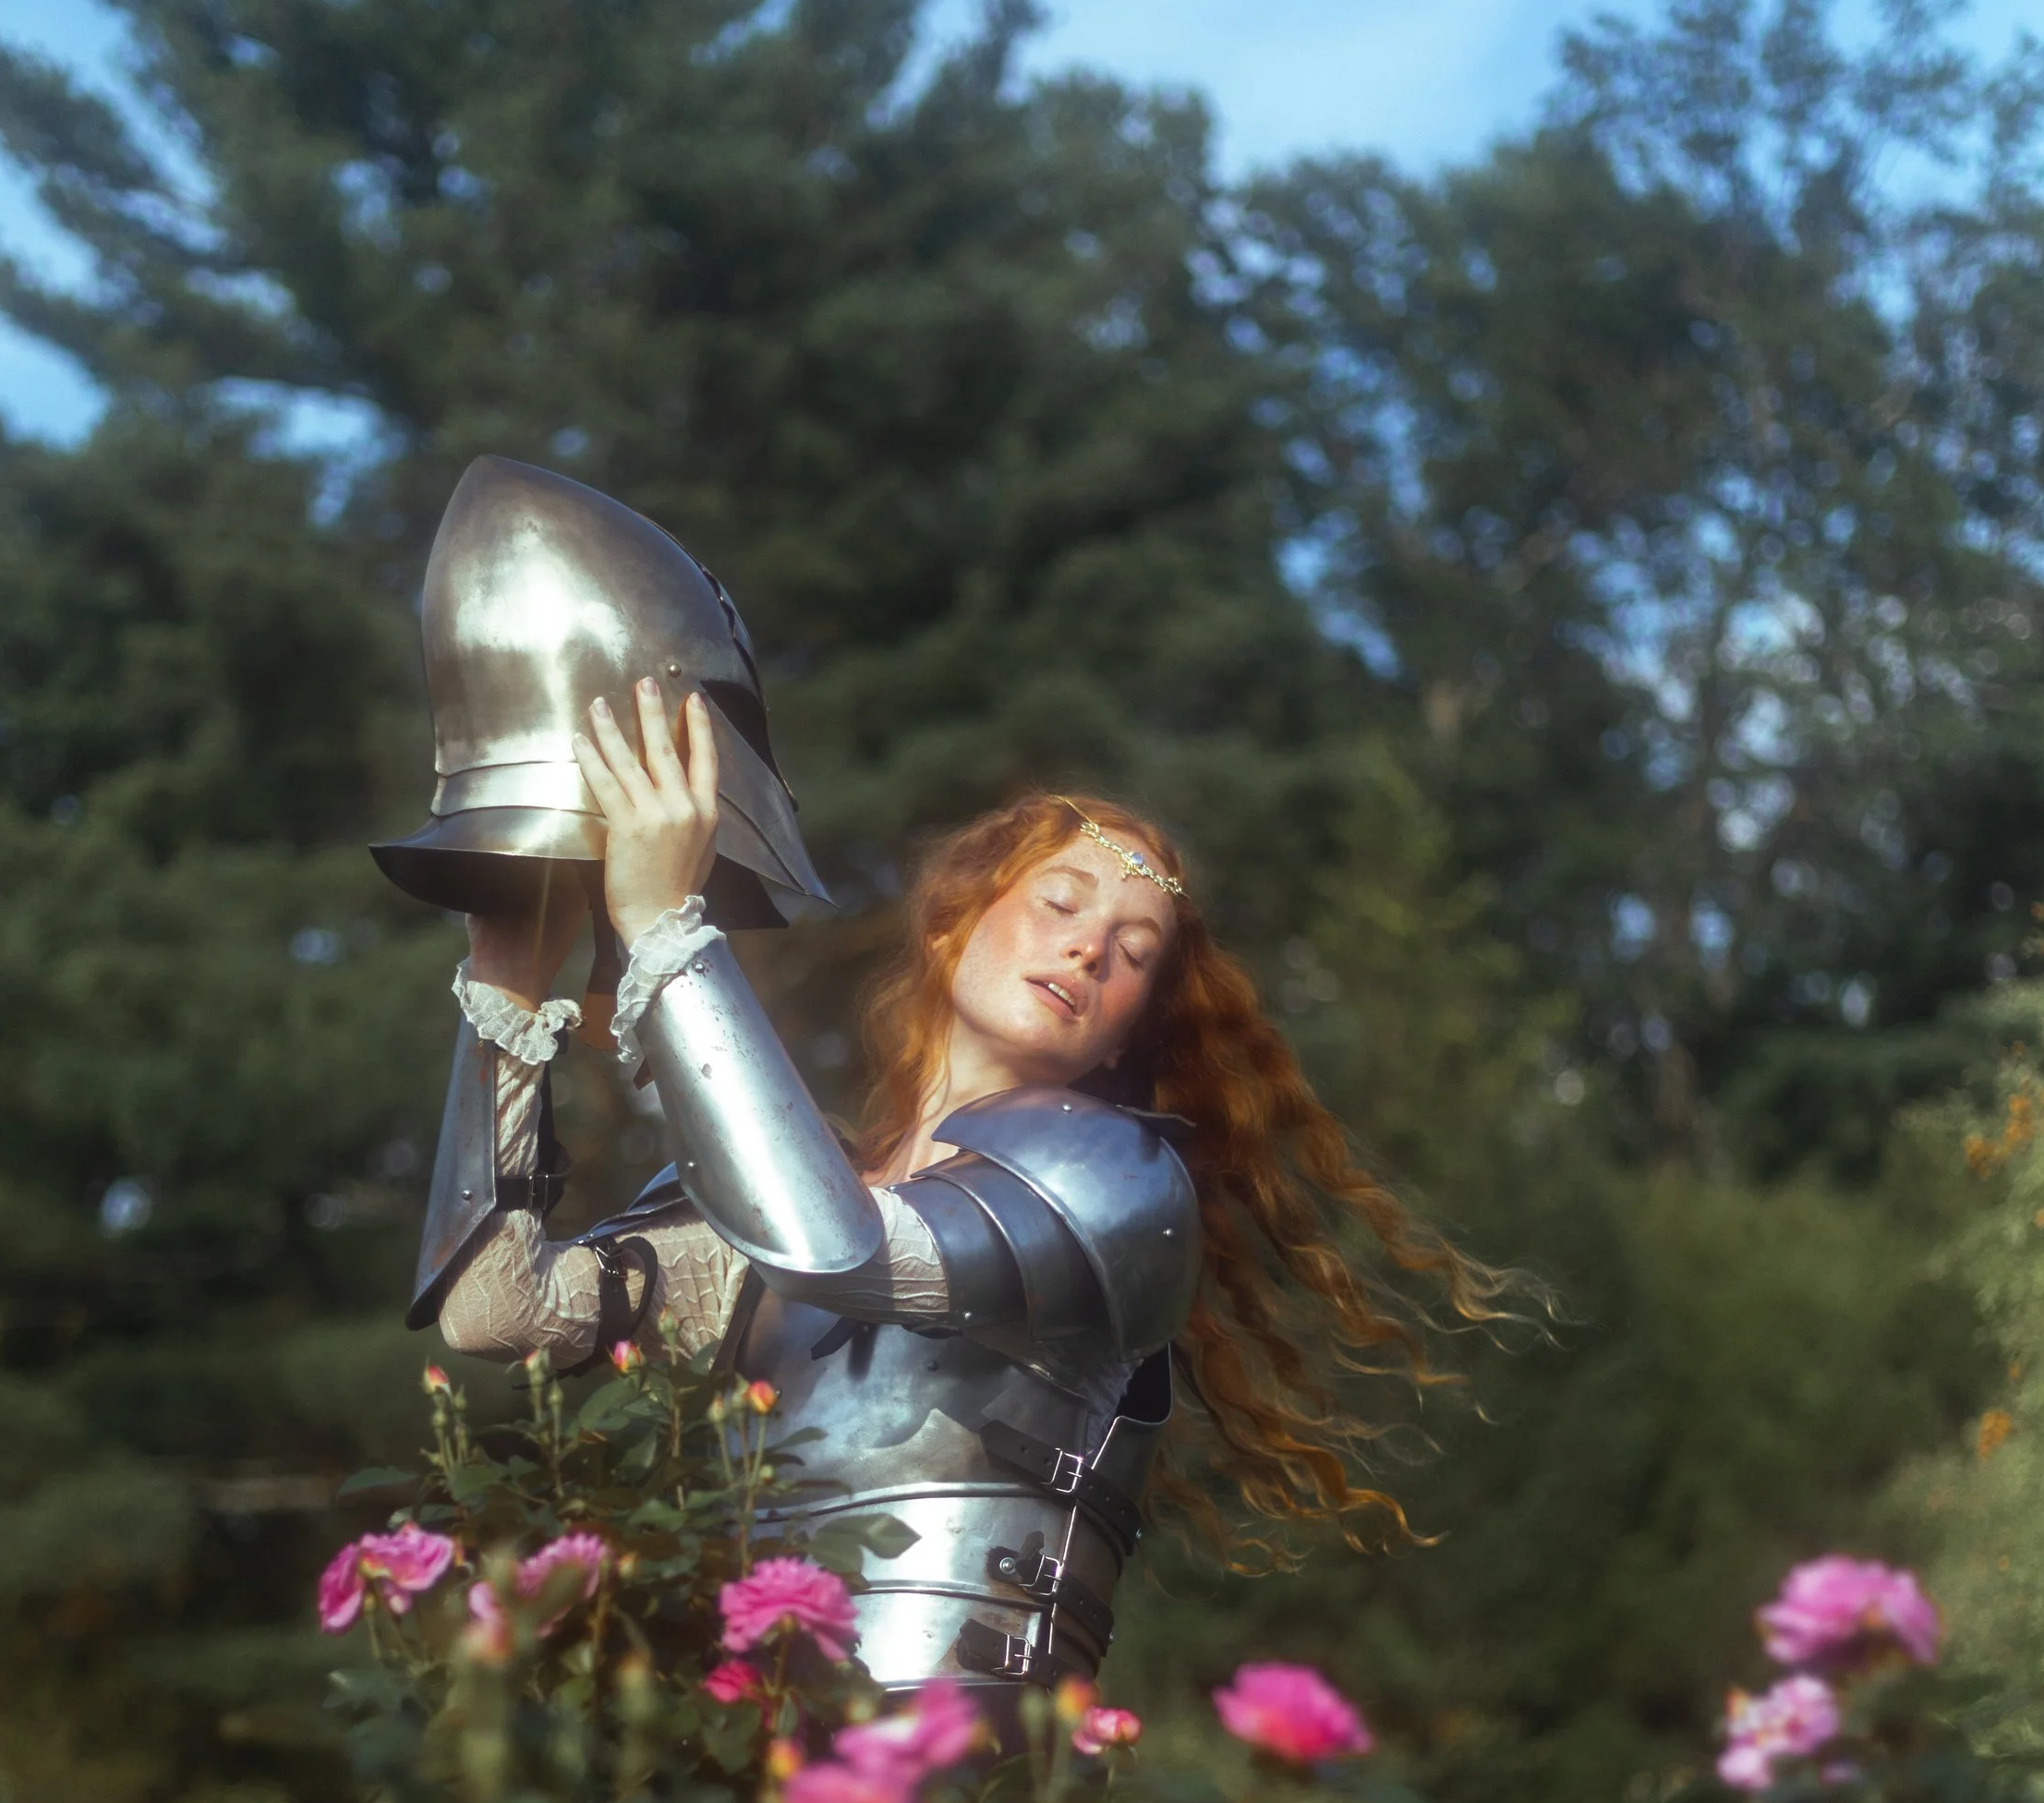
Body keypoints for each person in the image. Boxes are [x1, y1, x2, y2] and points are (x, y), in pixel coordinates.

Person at [420, 676, 1487, 1696]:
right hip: (742, 1745)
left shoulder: (1119, 1179)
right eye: (1061, 902)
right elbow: (494, 1309)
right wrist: (507, 986)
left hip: (961, 1765)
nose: (1087, 946)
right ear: (947, 926)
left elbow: (836, 1250)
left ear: (1132, 1021)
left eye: (1134, 951)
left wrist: (664, 925)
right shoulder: (789, 1188)